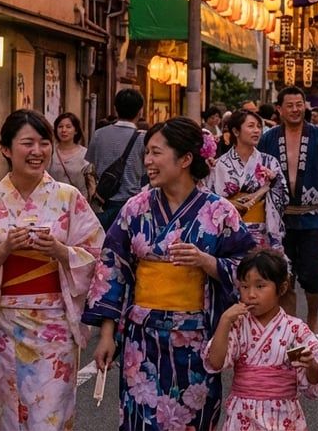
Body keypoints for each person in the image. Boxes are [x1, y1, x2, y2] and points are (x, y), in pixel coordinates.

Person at [85, 117, 255, 431]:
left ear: (186, 159)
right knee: (139, 420)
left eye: (156, 152)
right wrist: (107, 334)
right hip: (141, 339)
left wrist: (207, 262)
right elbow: (112, 269)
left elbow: (248, 268)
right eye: (146, 153)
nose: (147, 161)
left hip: (195, 338)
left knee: (193, 419)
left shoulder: (220, 212)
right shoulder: (135, 209)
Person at [0, 109, 106, 431]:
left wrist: (61, 252)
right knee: (6, 413)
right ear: (7, 149)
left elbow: (99, 256)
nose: (37, 152)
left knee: (47, 419)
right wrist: (3, 251)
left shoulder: (68, 198)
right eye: (27, 143)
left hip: (55, 327)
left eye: (44, 143)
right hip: (3, 324)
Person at [204, 248, 318, 431]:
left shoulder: (295, 329)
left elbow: (315, 380)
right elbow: (215, 363)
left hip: (283, 417)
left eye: (260, 286)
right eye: (244, 286)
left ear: (282, 288)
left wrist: (311, 364)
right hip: (243, 416)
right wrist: (224, 321)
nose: (251, 294)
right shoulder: (238, 324)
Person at [258, 87, 318, 342]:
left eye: (299, 104)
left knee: (313, 273)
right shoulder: (269, 138)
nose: (296, 109)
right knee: (283, 271)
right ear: (280, 109)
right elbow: (258, 171)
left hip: (311, 215)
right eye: (290, 105)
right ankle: (291, 324)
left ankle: (313, 318)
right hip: (279, 217)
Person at [206, 109, 287, 252]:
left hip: (262, 230)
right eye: (251, 126)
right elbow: (209, 201)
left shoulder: (269, 162)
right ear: (236, 131)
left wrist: (274, 181)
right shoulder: (219, 165)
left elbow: (283, 197)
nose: (257, 131)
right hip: (230, 231)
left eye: (259, 126)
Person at [86, 88, 147, 228]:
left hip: (103, 203)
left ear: (115, 109)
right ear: (140, 111)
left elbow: (91, 166)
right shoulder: (143, 139)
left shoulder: (99, 134)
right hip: (133, 203)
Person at [50, 111, 97, 202]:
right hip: (53, 203)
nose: (64, 130)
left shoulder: (85, 154)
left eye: (68, 127)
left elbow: (91, 185)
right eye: (60, 127)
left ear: (76, 130)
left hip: (78, 204)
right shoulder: (50, 152)